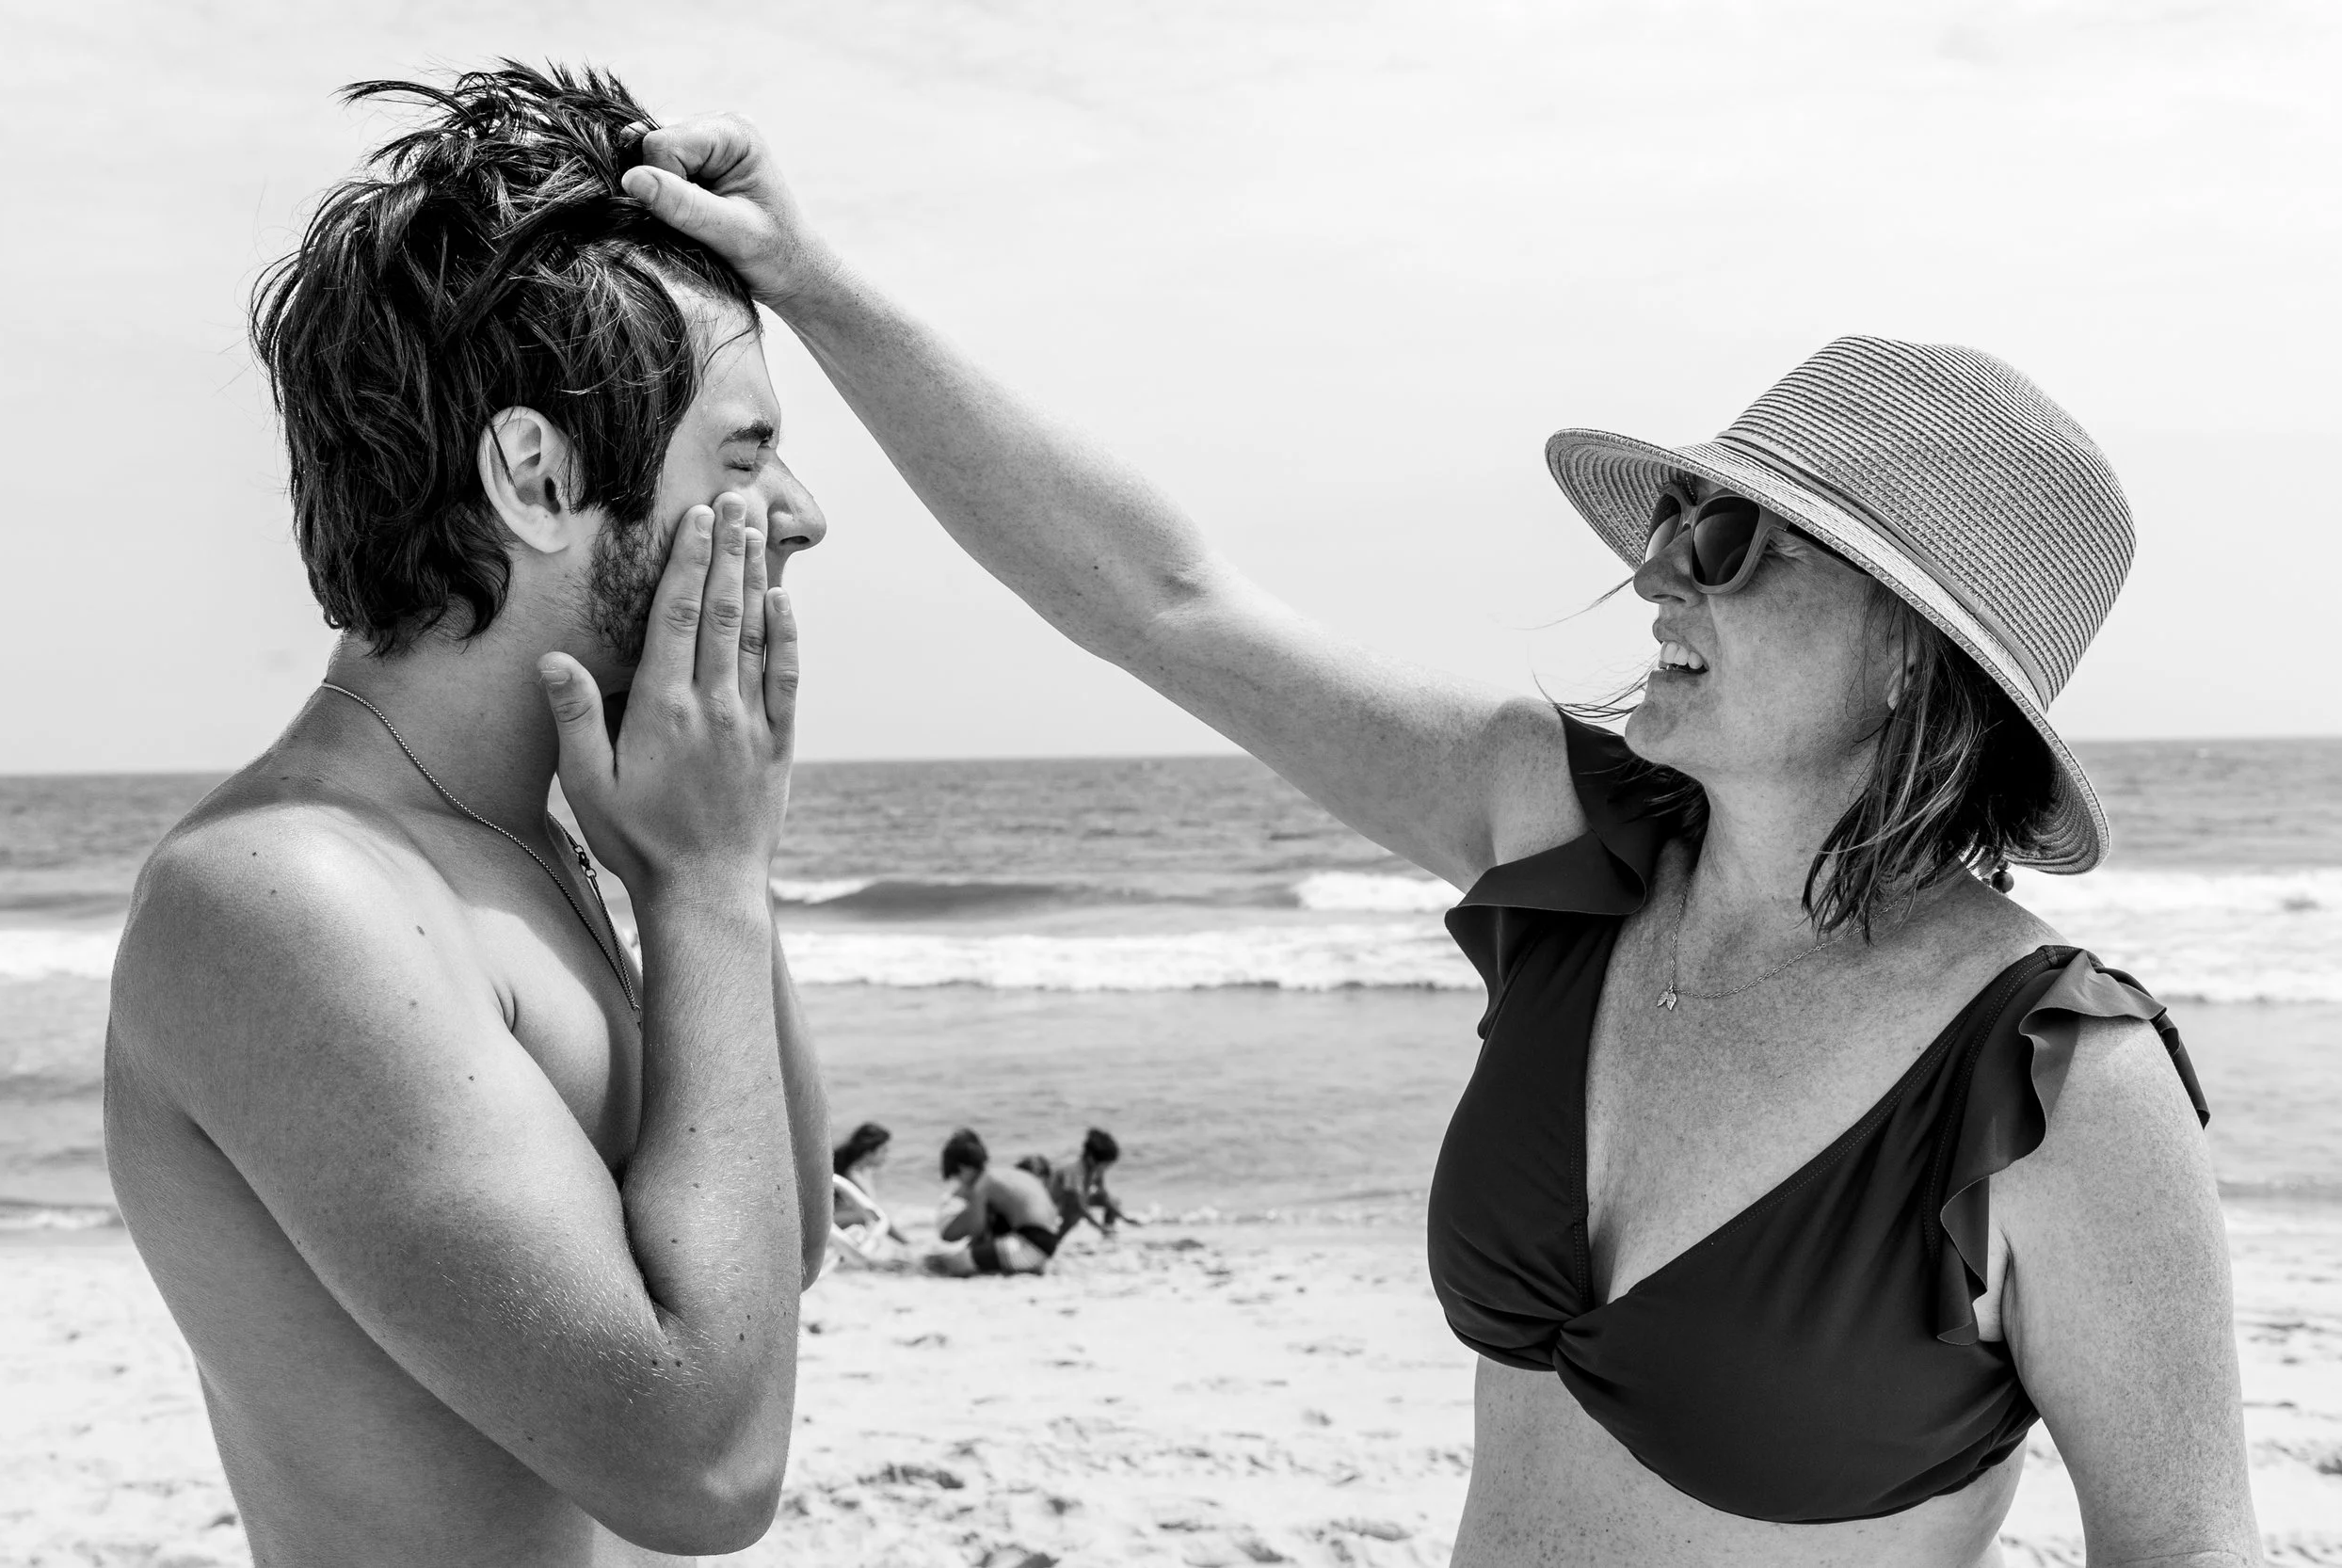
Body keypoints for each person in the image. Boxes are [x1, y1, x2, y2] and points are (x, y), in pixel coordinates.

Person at [617, 119, 2259, 1564]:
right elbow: (1158, 601)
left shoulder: (2054, 1089)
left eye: (1733, 537)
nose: (1661, 571)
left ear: (1911, 651)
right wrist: (815, 283)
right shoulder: (1566, 838)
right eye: (1677, 521)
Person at [102, 66, 832, 1567]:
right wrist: (701, 883)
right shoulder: (285, 895)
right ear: (538, 473)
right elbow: (703, 1465)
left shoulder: (521, 835)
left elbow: (774, 1252)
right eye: (746, 450)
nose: (803, 513)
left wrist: (707, 868)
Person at [927, 1128, 1063, 1277]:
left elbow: (976, 1228)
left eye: (957, 1177)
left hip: (1030, 1246)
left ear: (963, 1169)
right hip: (1048, 1243)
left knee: (952, 1262)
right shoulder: (1003, 1175)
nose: (960, 1183)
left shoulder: (982, 1184)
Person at [829, 1120, 909, 1262]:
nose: (887, 1155)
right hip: (834, 1225)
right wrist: (906, 1242)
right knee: (866, 1218)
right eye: (884, 1150)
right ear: (869, 1152)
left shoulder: (862, 1171)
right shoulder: (853, 1175)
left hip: (839, 1223)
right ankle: (849, 1256)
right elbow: (875, 1214)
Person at [1042, 1127, 1138, 1240]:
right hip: (1051, 1205)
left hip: (1072, 1202)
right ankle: (1055, 1240)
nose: (1106, 1169)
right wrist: (1098, 1226)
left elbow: (1103, 1195)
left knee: (1114, 1202)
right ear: (1091, 1158)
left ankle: (1108, 1236)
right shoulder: (1074, 1170)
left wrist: (1125, 1218)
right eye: (1106, 1165)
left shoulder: (1096, 1170)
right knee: (1075, 1212)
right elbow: (1079, 1205)